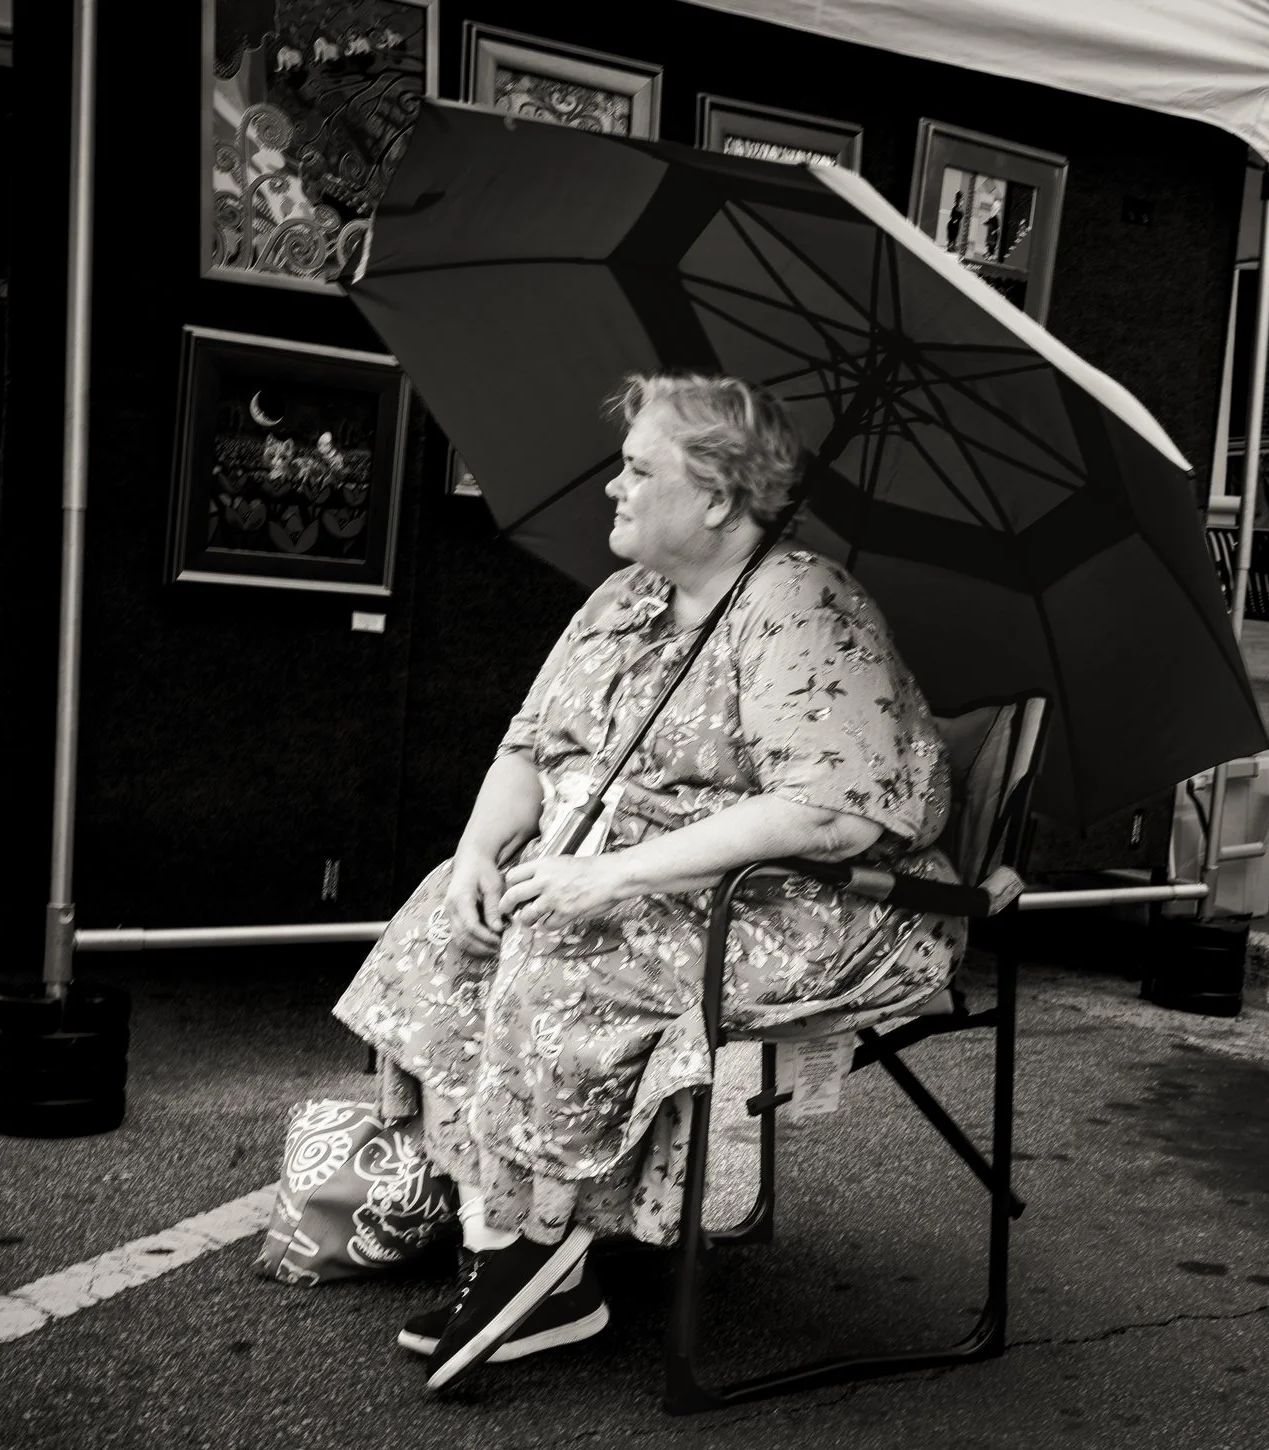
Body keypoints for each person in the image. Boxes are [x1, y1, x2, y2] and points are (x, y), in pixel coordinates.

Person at [335, 372, 963, 1393]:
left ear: (718, 497)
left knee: (569, 945)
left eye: (637, 468)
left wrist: (609, 874)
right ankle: (512, 1229)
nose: (613, 489)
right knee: (450, 921)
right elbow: (529, 746)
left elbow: (828, 812)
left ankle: (540, 1241)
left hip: (799, 898)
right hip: (633, 868)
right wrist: (483, 853)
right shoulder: (624, 597)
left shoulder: (798, 601)